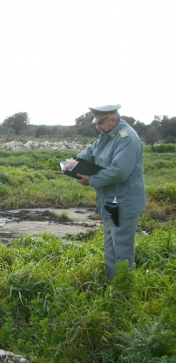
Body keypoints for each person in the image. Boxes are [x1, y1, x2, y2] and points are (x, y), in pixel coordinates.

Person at [62, 104, 146, 280]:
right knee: (111, 250)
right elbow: (91, 150)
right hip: (110, 201)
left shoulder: (127, 138)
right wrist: (75, 161)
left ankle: (123, 293)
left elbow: (119, 171)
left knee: (122, 252)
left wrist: (91, 180)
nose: (97, 126)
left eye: (100, 122)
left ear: (113, 120)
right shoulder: (107, 135)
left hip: (124, 203)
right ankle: (111, 289)